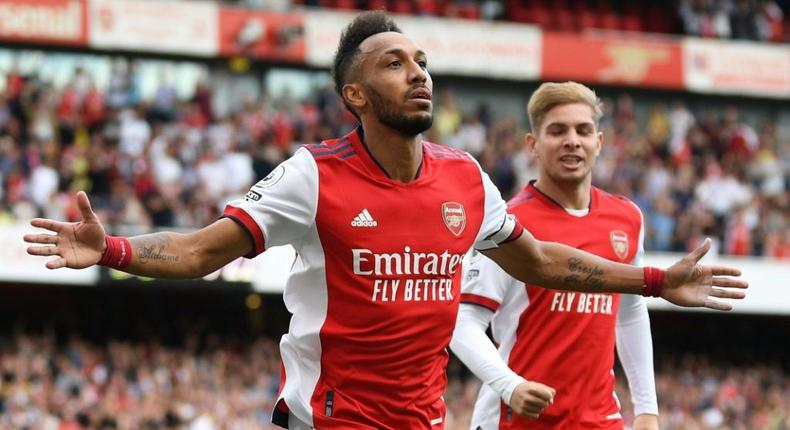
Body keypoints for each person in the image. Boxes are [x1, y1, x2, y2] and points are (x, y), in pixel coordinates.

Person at [24, 12, 747, 430]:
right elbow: (200, 252)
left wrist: (654, 278)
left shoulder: (465, 177)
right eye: (395, 63)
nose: (418, 72)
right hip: (327, 420)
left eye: (422, 60)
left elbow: (548, 262)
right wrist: (112, 247)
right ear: (356, 95)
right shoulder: (314, 175)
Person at [450, 82, 660, 430]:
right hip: (516, 420)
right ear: (532, 144)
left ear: (599, 142)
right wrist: (509, 385)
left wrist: (647, 408)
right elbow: (464, 322)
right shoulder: (506, 225)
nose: (572, 140)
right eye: (557, 130)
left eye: (583, 130)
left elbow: (630, 312)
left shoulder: (627, 218)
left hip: (600, 421)